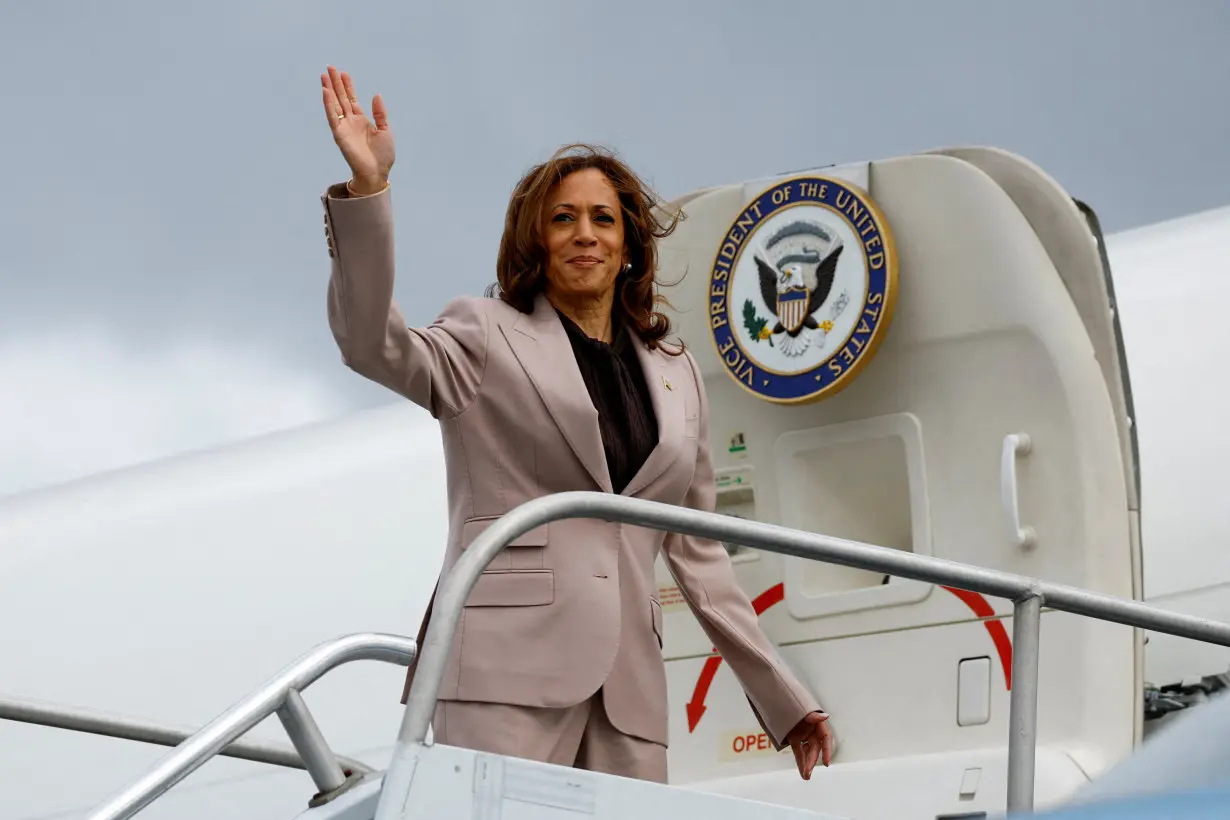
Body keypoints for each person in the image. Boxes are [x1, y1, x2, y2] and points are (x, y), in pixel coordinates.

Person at [317, 65, 835, 783]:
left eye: (602, 218)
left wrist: (783, 699)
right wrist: (369, 191)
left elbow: (703, 557)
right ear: (537, 239)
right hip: (507, 672)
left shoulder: (676, 371)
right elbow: (372, 344)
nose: (583, 234)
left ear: (628, 244)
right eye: (562, 218)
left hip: (629, 692)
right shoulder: (485, 333)